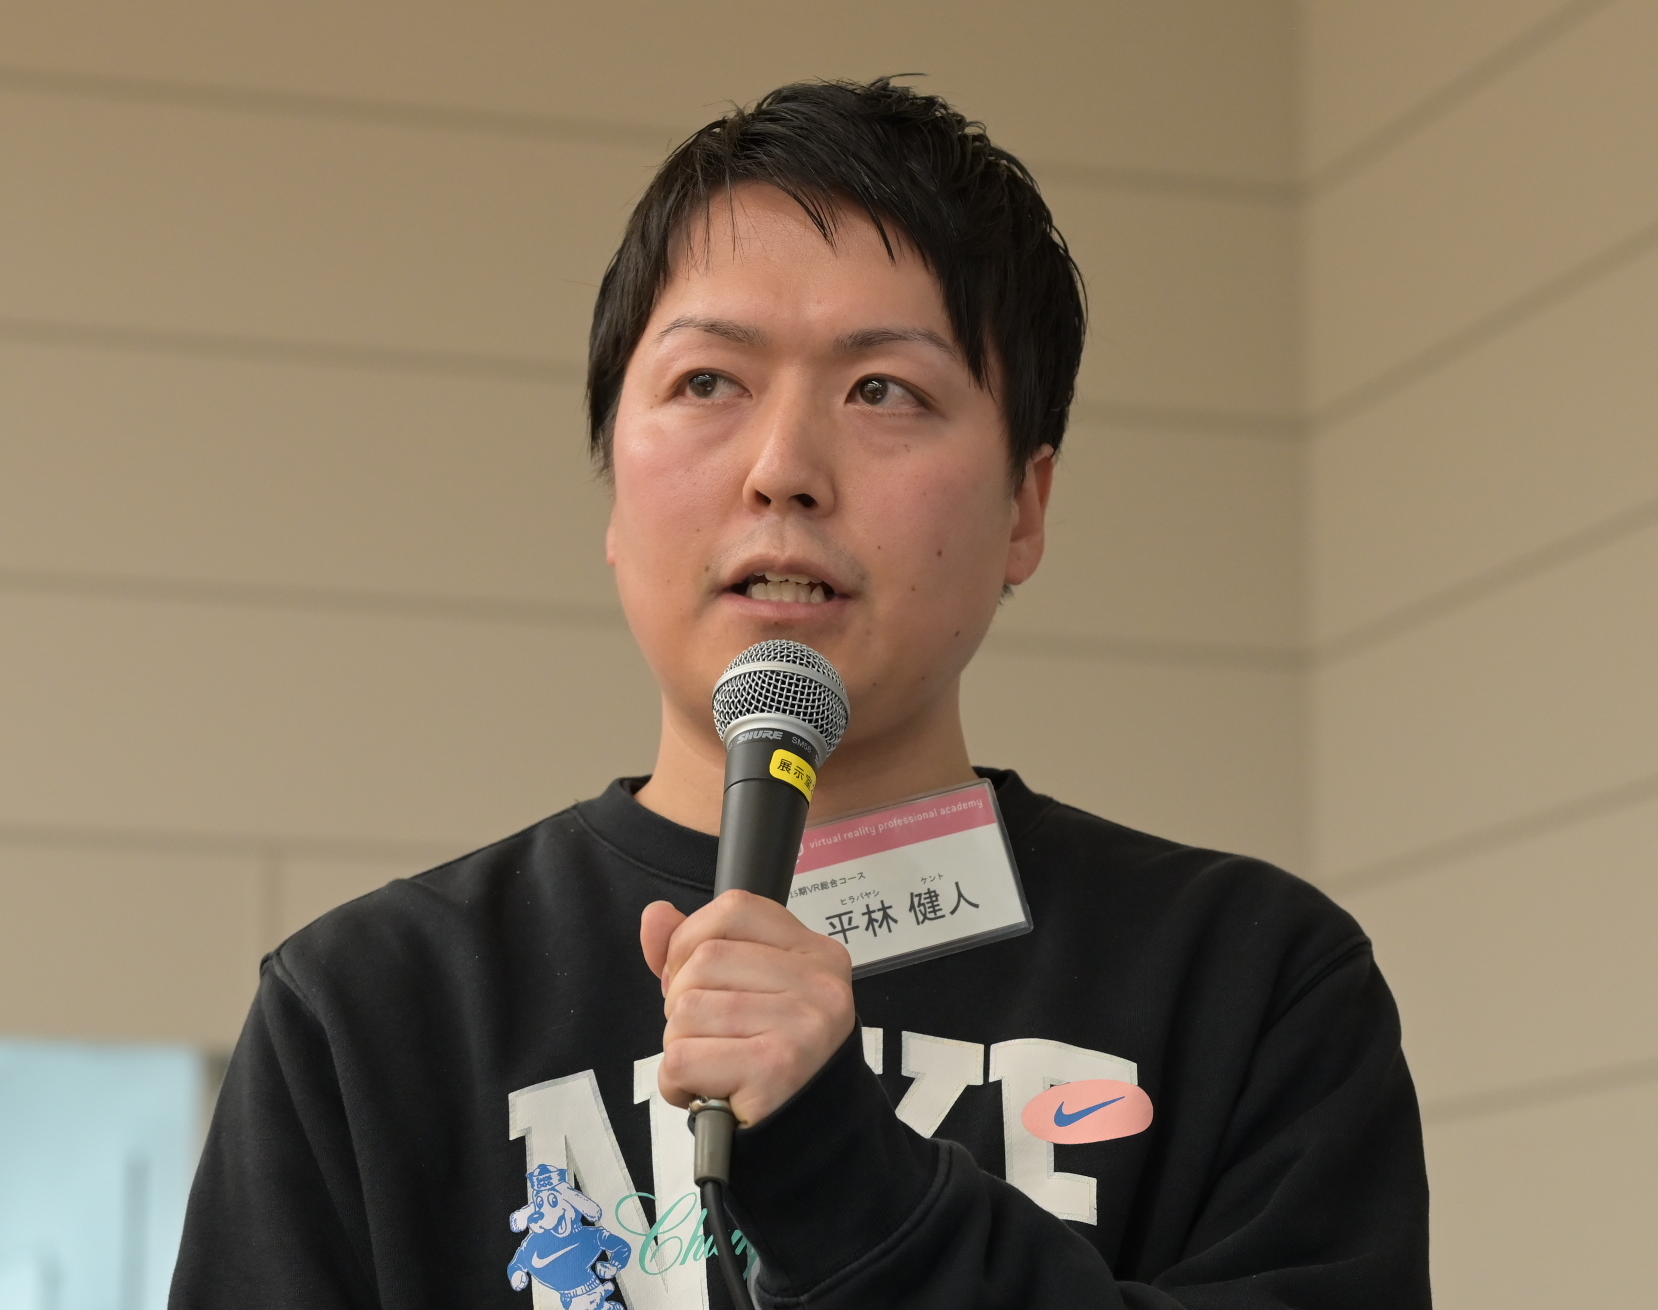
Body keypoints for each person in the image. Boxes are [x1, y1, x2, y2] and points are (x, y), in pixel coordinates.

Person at [169, 78, 1429, 1309]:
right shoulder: (373, 1010)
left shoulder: (1246, 980)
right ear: (613, 481)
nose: (783, 468)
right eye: (708, 382)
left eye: (884, 389)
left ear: (1024, 509)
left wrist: (851, 1187)